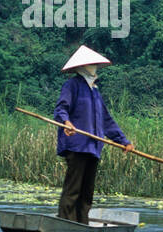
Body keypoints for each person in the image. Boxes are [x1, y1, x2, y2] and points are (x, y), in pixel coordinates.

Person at [54, 45, 135, 223]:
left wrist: (123, 141)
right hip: (77, 145)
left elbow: (106, 120)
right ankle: (66, 222)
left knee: (87, 192)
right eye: (92, 65)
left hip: (93, 147)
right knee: (73, 189)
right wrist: (66, 122)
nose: (95, 68)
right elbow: (61, 109)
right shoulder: (72, 85)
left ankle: (81, 223)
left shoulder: (95, 91)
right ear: (83, 67)